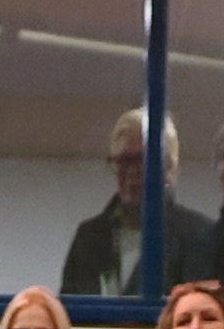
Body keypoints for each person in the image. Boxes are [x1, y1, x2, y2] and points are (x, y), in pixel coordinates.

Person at [58, 107, 203, 300]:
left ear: (168, 167)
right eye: (122, 162)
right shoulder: (88, 237)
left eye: (141, 160)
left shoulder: (197, 235)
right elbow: (70, 313)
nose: (131, 172)